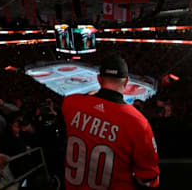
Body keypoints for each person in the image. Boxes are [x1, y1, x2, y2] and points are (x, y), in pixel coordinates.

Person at [62, 55, 160, 189]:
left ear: (98, 79)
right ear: (126, 82)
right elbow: (148, 178)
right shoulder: (138, 122)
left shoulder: (71, 103)